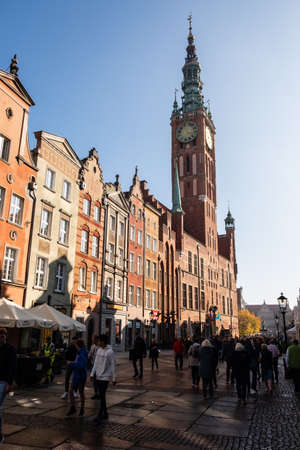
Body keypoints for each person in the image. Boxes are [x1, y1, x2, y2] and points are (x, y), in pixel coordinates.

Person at [91, 334, 117, 424]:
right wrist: (92, 373)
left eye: (99, 341)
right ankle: (105, 413)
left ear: (103, 342)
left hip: (105, 377)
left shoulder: (110, 352)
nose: (98, 342)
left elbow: (113, 365)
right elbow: (96, 363)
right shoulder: (98, 350)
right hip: (98, 376)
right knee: (102, 396)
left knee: (102, 396)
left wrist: (114, 378)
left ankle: (99, 415)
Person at [0, 328, 17, 445]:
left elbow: (12, 367)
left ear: (6, 336)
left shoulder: (10, 349)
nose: (1, 337)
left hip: (3, 382)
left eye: (3, 335)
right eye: (0, 335)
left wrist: (10, 383)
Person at [66, 339, 88, 417]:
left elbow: (80, 365)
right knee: (71, 391)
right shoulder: (79, 352)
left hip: (81, 376)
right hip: (76, 375)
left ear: (78, 346)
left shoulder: (83, 353)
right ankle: (73, 407)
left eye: (75, 346)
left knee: (81, 392)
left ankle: (82, 409)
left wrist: (70, 363)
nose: (75, 347)